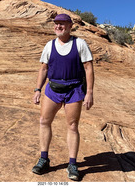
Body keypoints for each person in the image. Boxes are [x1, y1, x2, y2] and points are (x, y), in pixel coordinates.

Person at [32, 13, 94, 181]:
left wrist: (89, 92)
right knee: (44, 121)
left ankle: (72, 163)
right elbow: (43, 69)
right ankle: (44, 159)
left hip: (74, 89)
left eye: (62, 24)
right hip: (53, 88)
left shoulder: (80, 44)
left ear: (70, 26)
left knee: (72, 125)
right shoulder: (49, 46)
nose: (58, 26)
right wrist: (38, 89)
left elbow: (88, 68)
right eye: (56, 24)